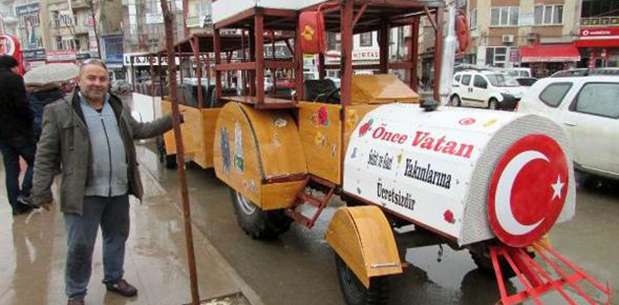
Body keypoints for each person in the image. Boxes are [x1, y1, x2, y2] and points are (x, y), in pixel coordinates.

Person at [31, 59, 176, 305]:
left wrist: (173, 120)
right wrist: (41, 191)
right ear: (79, 81)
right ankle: (76, 293)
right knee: (79, 246)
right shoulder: (59, 110)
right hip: (82, 193)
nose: (97, 83)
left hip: (118, 189)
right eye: (91, 78)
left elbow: (139, 130)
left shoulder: (117, 106)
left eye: (102, 79)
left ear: (108, 81)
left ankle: (114, 278)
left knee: (116, 237)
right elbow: (46, 154)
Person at [0, 55, 36, 216]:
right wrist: (30, 120)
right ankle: (25, 195)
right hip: (19, 131)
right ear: (11, 66)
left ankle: (15, 206)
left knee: (11, 170)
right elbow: (22, 105)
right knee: (36, 161)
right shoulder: (14, 80)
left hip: (2, 134)